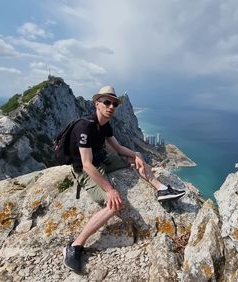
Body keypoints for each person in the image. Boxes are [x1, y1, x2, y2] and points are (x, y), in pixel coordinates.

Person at [63, 85, 185, 274]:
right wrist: (110, 190)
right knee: (115, 205)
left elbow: (118, 148)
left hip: (103, 159)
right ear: (97, 104)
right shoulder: (85, 127)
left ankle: (161, 189)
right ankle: (75, 246)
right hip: (87, 170)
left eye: (114, 103)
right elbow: (87, 165)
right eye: (106, 102)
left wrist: (137, 154)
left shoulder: (105, 125)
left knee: (135, 157)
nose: (111, 106)